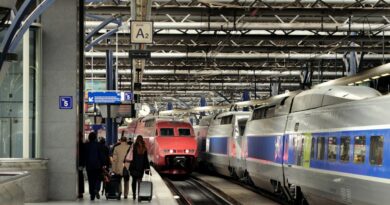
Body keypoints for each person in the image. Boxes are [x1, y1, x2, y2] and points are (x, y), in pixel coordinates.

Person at [83, 132, 105, 201]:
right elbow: (101, 156)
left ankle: (92, 195)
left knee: (91, 180)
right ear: (95, 138)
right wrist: (103, 164)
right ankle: (96, 189)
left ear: (89, 137)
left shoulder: (86, 145)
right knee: (98, 178)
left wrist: (83, 164)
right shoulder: (99, 145)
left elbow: (84, 156)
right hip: (97, 165)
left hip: (89, 166)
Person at [129, 135, 150, 200]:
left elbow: (129, 156)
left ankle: (134, 194)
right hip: (141, 168)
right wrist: (147, 167)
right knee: (140, 181)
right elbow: (146, 159)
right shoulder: (144, 148)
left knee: (134, 181)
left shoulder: (134, 147)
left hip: (133, 166)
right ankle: (139, 194)